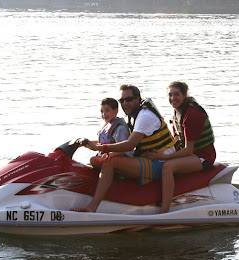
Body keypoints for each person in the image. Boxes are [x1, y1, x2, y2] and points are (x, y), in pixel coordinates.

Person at [71, 84, 176, 213]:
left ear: (138, 98)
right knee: (95, 162)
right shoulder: (135, 115)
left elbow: (130, 145)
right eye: (122, 101)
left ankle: (92, 207)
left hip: (159, 163)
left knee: (110, 162)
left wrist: (101, 148)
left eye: (129, 99)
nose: (125, 103)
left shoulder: (145, 116)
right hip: (148, 159)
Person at [146, 81, 216, 213]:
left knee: (168, 167)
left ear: (184, 95)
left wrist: (165, 156)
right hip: (191, 155)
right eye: (170, 95)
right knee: (160, 163)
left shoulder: (191, 115)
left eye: (176, 94)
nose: (173, 98)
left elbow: (188, 150)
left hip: (203, 157)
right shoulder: (178, 111)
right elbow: (177, 140)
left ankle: (164, 211)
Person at [88, 98, 131, 169]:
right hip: (105, 157)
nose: (104, 114)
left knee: (93, 160)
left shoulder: (119, 128)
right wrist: (86, 143)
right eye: (102, 111)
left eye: (107, 111)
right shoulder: (108, 125)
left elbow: (127, 151)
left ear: (116, 111)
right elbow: (102, 143)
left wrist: (112, 154)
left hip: (117, 161)